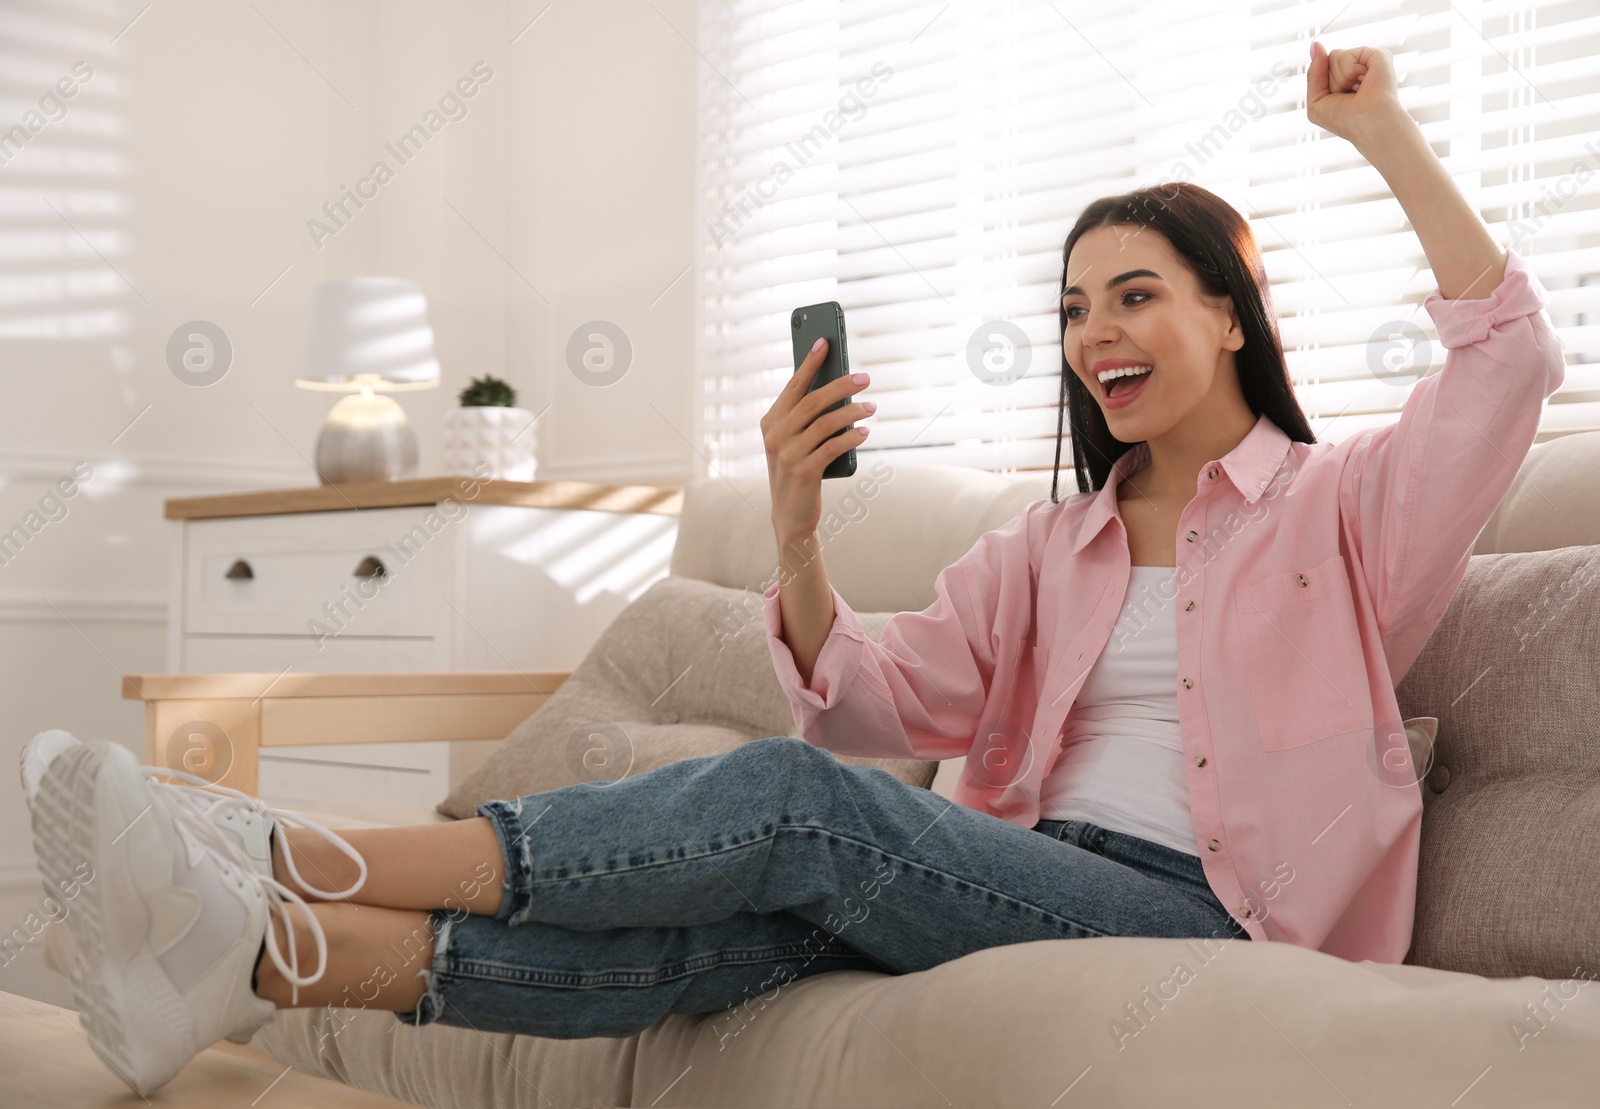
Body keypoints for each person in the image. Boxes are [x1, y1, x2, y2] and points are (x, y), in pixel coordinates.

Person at [22, 42, 1564, 1097]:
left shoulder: (1344, 512)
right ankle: (262, 956)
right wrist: (799, 523)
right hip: (1032, 877)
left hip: (1220, 923)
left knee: (802, 809)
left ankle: (273, 846)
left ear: (1234, 316)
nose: (1096, 331)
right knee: (725, 938)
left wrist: (1382, 137)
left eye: (1138, 294)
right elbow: (867, 695)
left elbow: (1509, 363)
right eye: (1075, 304)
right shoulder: (1052, 546)